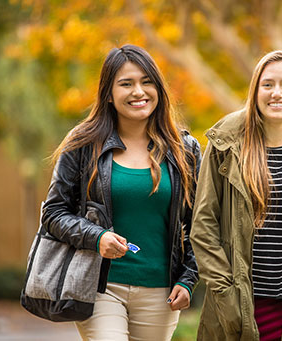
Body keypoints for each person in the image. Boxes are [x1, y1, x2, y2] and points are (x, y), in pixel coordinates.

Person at [42, 44, 201, 340]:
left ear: (158, 88)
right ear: (109, 94)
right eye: (126, 84)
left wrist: (189, 279)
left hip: (161, 293)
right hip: (100, 285)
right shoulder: (83, 144)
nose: (138, 91)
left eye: (146, 81)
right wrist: (97, 236)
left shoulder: (185, 150)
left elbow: (202, 225)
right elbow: (53, 213)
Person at [190, 49, 282, 341]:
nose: (276, 93)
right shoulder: (225, 143)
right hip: (235, 307)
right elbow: (203, 226)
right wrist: (227, 292)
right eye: (267, 84)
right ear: (255, 90)